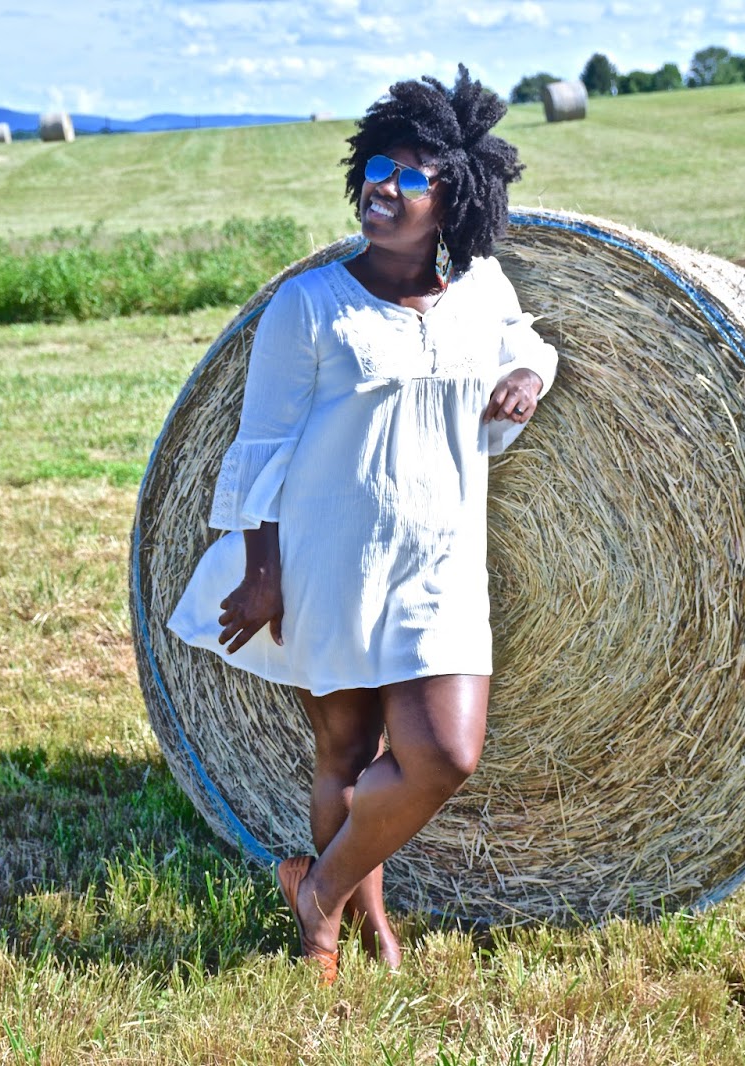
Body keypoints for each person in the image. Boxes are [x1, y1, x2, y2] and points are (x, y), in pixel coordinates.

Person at [167, 65, 558, 982]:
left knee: (445, 753)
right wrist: (263, 571)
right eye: (378, 166)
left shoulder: (482, 288)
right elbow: (262, 445)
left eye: (412, 174)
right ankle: (345, 927)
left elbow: (527, 343)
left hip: (443, 560)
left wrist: (528, 377)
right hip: (329, 559)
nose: (385, 185)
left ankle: (316, 890)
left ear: (455, 196)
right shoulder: (308, 306)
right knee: (346, 749)